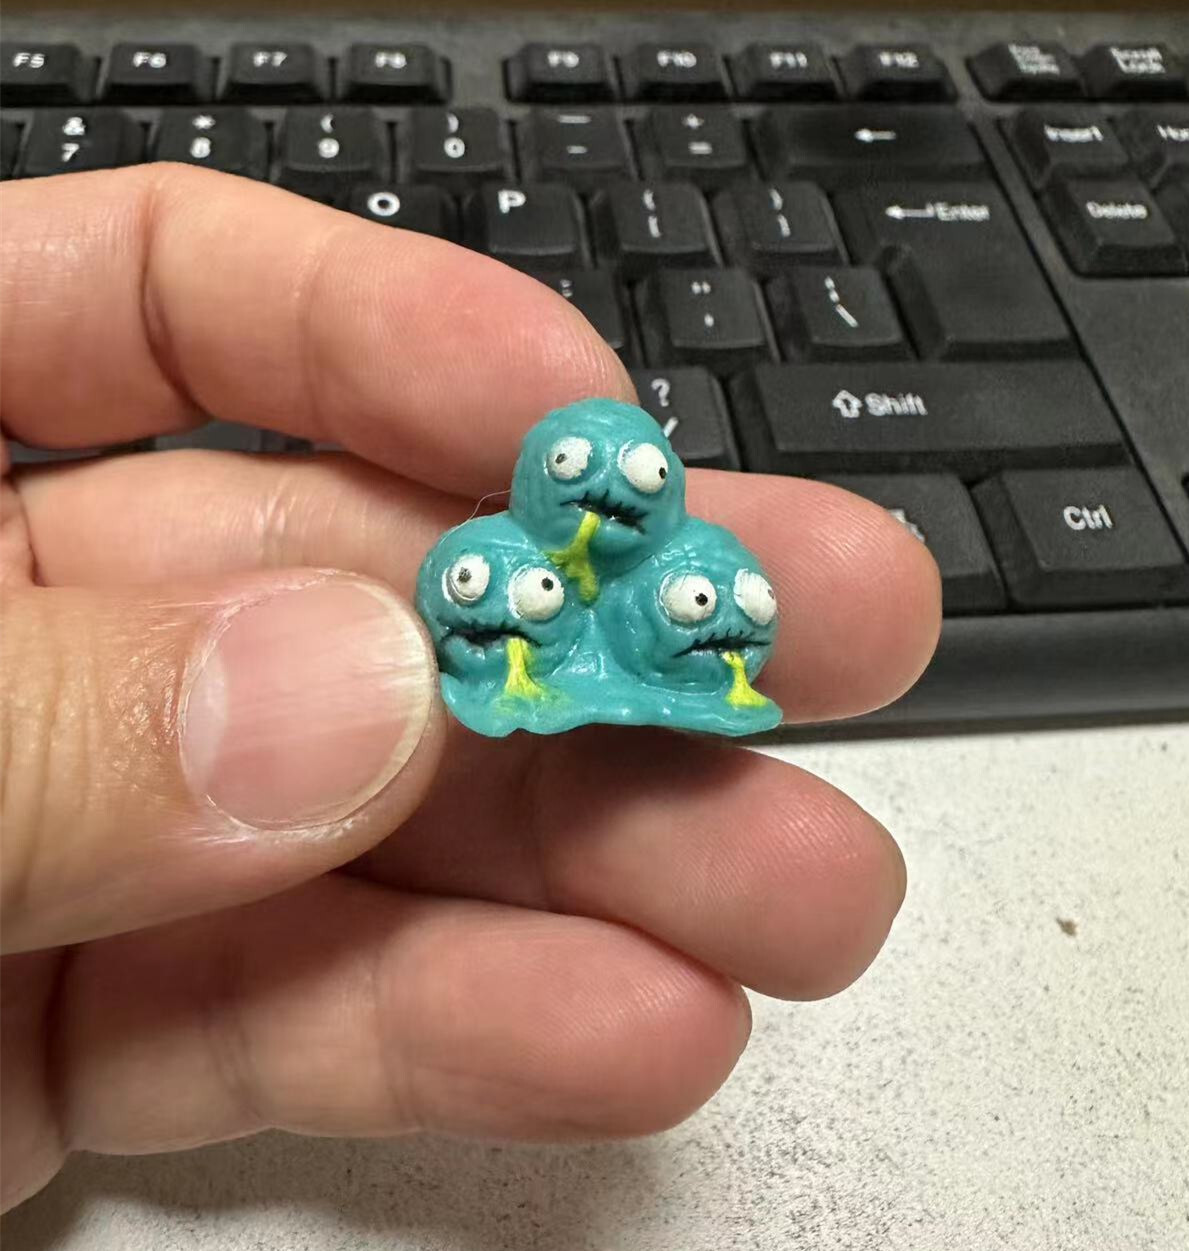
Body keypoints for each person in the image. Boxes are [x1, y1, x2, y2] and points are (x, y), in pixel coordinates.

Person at [0, 165, 941, 1211]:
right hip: (505, 666)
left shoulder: (681, 565)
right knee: (499, 589)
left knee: (696, 610)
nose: (603, 499)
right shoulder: (498, 558)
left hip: (638, 658)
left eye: (636, 483)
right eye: (577, 474)